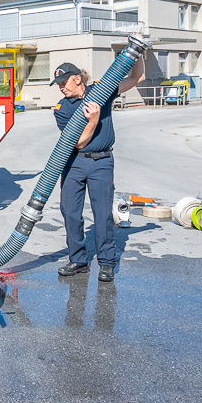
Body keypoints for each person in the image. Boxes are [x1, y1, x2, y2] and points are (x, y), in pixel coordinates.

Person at [51, 47, 145, 283]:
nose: (61, 87)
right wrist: (93, 120)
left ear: (77, 79)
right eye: (58, 84)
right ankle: (78, 260)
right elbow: (79, 142)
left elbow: (137, 77)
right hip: (74, 163)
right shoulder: (62, 108)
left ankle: (107, 263)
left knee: (102, 214)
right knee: (70, 212)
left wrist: (139, 52)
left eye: (64, 82)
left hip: (101, 162)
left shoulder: (101, 92)